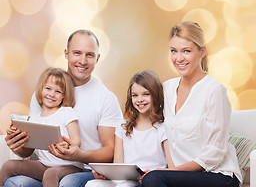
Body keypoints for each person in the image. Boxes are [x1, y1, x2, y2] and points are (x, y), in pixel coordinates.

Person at [4, 30, 123, 187]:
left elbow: (111, 150)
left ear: (97, 58)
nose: (82, 60)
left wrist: (80, 155)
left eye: (89, 55)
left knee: (66, 182)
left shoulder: (106, 98)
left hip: (86, 170)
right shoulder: (44, 94)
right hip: (46, 168)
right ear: (66, 54)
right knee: (15, 182)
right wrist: (19, 145)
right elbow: (29, 148)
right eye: (77, 53)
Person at [141, 21, 242, 187]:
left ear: (202, 52)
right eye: (174, 51)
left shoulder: (215, 91)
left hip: (219, 176)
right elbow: (149, 128)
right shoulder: (166, 89)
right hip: (181, 176)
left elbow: (214, 155)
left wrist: (169, 173)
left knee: (154, 179)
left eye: (186, 51)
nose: (179, 58)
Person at [85, 70, 174, 187]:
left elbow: (172, 168)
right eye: (135, 95)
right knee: (92, 184)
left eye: (146, 94)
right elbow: (118, 165)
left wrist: (152, 174)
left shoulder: (163, 127)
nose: (140, 99)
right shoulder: (122, 127)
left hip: (150, 180)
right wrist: (104, 174)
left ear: (155, 95)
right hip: (125, 180)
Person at [0, 67, 83, 187]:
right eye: (48, 88)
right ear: (41, 89)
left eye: (58, 92)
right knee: (9, 165)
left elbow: (77, 141)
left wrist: (69, 145)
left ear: (64, 96)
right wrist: (16, 135)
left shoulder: (66, 112)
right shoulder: (34, 118)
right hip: (45, 165)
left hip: (69, 166)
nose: (51, 94)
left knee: (50, 174)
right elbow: (28, 148)